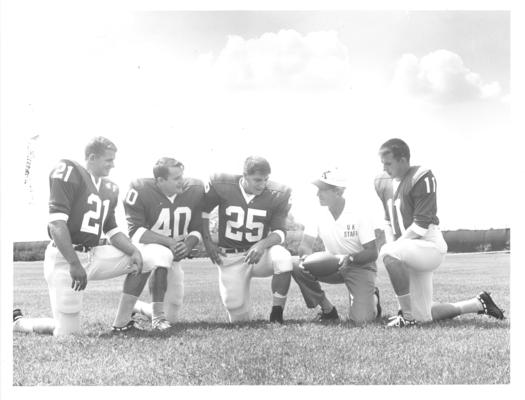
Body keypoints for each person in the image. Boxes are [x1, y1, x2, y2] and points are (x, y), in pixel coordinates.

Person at [13, 137, 174, 336]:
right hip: (66, 258)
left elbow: (113, 232)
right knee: (68, 334)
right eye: (108, 160)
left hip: (95, 254)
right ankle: (19, 324)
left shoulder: (109, 188)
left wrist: (134, 251)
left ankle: (122, 322)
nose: (113, 164)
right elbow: (56, 223)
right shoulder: (69, 170)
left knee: (150, 256)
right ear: (92, 157)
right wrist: (73, 263)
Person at [374, 138, 505, 327]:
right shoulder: (383, 182)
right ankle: (478, 303)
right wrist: (396, 249)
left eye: (388, 163)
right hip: (407, 248)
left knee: (388, 251)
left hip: (428, 246)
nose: (384, 168)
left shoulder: (421, 176)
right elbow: (388, 221)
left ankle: (406, 317)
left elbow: (420, 226)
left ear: (403, 160)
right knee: (424, 315)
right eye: (382, 163)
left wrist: (395, 248)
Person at [112, 157, 204, 331]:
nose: (182, 181)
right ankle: (157, 318)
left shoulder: (194, 190)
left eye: (182, 176)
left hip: (175, 253)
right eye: (176, 178)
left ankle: (138, 307)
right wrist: (169, 242)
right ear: (160, 180)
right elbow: (136, 232)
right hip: (150, 248)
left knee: (173, 314)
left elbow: (197, 228)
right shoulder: (140, 190)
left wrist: (188, 245)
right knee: (161, 255)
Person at [201, 156, 293, 323]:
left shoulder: (278, 194)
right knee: (238, 317)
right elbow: (203, 212)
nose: (262, 184)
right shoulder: (222, 185)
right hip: (231, 257)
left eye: (266, 179)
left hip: (260, 255)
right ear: (244, 175)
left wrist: (262, 244)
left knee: (283, 257)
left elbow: (280, 232)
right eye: (257, 180)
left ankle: (276, 315)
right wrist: (208, 242)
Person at [291, 168, 381, 324]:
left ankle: (372, 297)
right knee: (295, 265)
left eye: (323, 190)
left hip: (360, 266)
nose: (317, 194)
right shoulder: (317, 214)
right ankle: (328, 310)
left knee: (361, 320)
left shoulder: (359, 213)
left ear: (338, 192)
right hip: (332, 266)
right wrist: (305, 257)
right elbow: (305, 245)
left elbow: (373, 252)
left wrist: (350, 258)